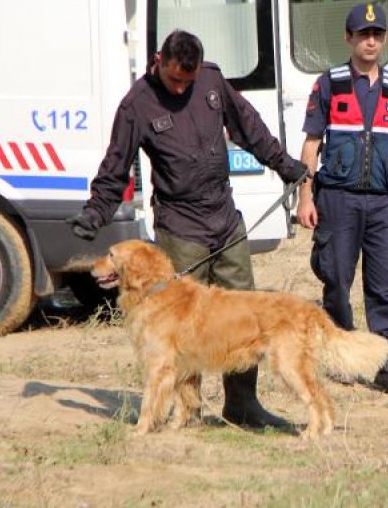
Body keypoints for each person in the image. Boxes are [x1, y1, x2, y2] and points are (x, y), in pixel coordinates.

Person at [68, 30, 308, 428]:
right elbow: (115, 166)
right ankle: (189, 410)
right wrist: (95, 213)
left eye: (187, 80)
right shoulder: (137, 105)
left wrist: (287, 167)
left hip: (225, 219)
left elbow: (250, 128)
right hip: (181, 228)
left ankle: (242, 403)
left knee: (243, 314)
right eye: (175, 79)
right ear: (158, 60)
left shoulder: (211, 81)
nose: (181, 87)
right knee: (182, 325)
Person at [295, 2, 388, 397]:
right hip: (337, 200)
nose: (370, 41)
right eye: (363, 34)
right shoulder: (329, 84)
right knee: (335, 278)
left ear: (384, 40)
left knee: (385, 286)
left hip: (386, 203)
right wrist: (306, 196)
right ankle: (339, 357)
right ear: (349, 38)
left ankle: (386, 366)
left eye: (377, 34)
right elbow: (311, 144)